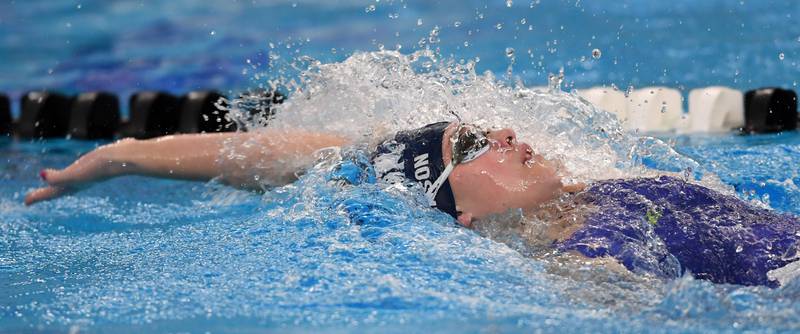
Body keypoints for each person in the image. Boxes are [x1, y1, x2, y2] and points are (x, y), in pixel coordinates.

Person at [24, 121, 800, 288]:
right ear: (459, 213)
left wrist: (127, 155)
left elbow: (325, 150)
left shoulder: (611, 189)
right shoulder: (588, 260)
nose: (504, 131)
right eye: (472, 150)